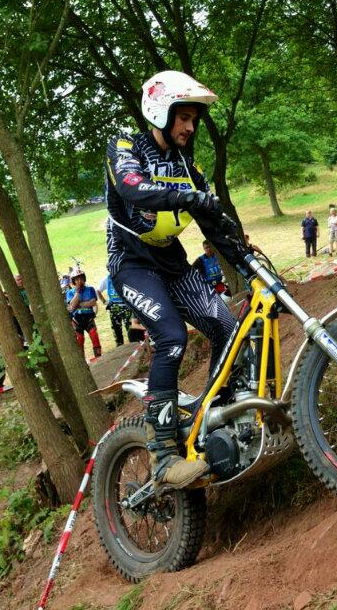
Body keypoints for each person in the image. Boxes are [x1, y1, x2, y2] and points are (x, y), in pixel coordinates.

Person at [105, 70, 245, 491]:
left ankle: (215, 416)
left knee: (227, 327)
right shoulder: (125, 147)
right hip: (131, 263)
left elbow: (212, 220)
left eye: (194, 120)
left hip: (172, 262)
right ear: (160, 112)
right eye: (183, 118)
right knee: (171, 338)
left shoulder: (189, 166)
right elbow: (132, 187)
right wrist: (184, 196)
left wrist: (247, 261)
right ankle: (163, 457)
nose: (190, 127)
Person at [66, 268, 102, 358]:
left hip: (89, 319)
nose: (79, 281)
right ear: (73, 281)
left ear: (84, 278)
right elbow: (72, 305)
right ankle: (82, 360)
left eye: (81, 278)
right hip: (76, 321)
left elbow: (93, 302)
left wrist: (78, 305)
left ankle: (98, 357)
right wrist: (77, 293)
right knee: (79, 340)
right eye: (77, 279)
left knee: (94, 335)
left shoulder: (90, 289)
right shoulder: (70, 292)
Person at [97, 274, 133, 346]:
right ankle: (119, 346)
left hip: (126, 307)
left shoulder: (124, 276)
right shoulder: (106, 279)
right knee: (116, 329)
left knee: (130, 328)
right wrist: (104, 301)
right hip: (114, 308)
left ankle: (134, 344)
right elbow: (98, 291)